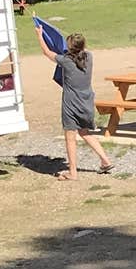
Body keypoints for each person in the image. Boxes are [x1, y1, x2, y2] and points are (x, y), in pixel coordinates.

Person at [37, 31, 114, 179]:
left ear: (70, 47)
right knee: (84, 132)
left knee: (70, 137)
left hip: (71, 102)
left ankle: (73, 172)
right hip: (86, 100)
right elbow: (81, 51)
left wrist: (40, 35)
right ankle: (105, 160)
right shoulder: (89, 57)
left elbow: (47, 52)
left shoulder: (66, 61)